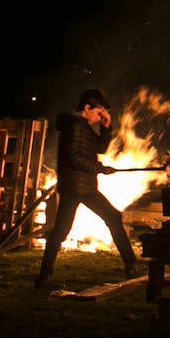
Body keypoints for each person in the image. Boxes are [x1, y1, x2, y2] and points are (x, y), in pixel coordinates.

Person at [36, 88, 139, 288]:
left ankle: (131, 264)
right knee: (62, 230)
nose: (99, 116)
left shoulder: (82, 126)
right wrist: (100, 168)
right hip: (76, 187)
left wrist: (106, 127)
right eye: (98, 112)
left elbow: (99, 148)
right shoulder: (74, 126)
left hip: (83, 187)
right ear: (86, 107)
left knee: (110, 217)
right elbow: (72, 158)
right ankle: (44, 277)